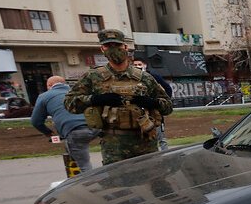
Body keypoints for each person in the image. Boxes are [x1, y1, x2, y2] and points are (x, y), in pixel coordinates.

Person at [64, 29, 173, 165]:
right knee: (118, 184)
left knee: (153, 180)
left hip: (145, 142)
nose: (113, 49)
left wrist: (152, 103)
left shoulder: (144, 77)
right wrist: (95, 99)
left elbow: (168, 106)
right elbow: (69, 103)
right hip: (114, 146)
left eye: (117, 45)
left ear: (125, 47)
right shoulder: (94, 77)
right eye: (108, 46)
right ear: (102, 49)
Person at [31, 76, 99, 172]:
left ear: (49, 85)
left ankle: (91, 184)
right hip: (96, 127)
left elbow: (36, 121)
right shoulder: (76, 92)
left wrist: (48, 133)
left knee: (84, 165)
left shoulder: (44, 96)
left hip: (75, 131)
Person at [131, 56, 173, 151]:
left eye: (139, 64)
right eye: (135, 65)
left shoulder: (152, 77)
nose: (137, 66)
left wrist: (159, 103)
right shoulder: (131, 78)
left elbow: (167, 89)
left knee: (160, 138)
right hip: (138, 114)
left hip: (154, 113)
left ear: (145, 65)